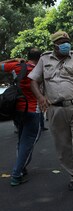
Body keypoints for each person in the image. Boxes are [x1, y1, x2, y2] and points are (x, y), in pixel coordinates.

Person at [28, 31, 73, 199]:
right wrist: (40, 97)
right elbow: (33, 81)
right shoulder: (44, 59)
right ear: (54, 44)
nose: (66, 44)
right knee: (63, 147)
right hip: (55, 109)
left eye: (67, 41)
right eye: (62, 42)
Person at [0, 48, 42, 186]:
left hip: (17, 110)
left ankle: (21, 168)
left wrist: (14, 60)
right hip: (32, 109)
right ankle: (17, 174)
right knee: (28, 142)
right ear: (40, 57)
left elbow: (1, 64)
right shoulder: (40, 69)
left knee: (21, 139)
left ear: (27, 56)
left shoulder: (17, 66)